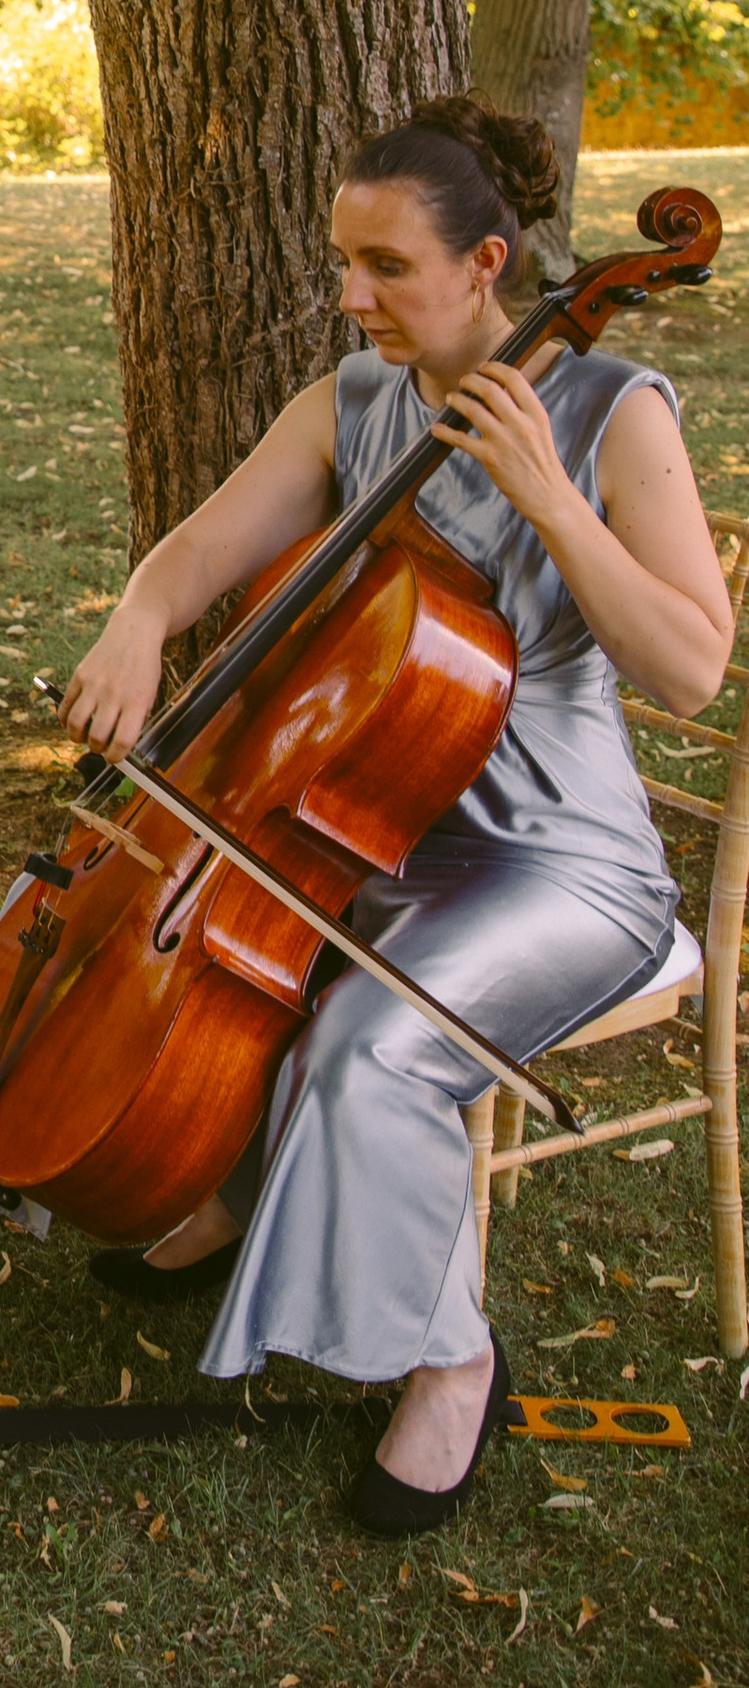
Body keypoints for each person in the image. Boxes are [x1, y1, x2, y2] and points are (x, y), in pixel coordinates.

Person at [54, 93, 733, 1533]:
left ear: (488, 265)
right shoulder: (353, 403)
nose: (353, 296)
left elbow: (689, 667)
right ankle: (243, 1184)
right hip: (370, 830)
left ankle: (450, 1360)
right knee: (196, 954)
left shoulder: (616, 412)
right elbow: (193, 554)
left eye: (387, 267)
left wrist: (552, 502)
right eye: (344, 263)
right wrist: (136, 619)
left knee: (369, 1038)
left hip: (564, 863)